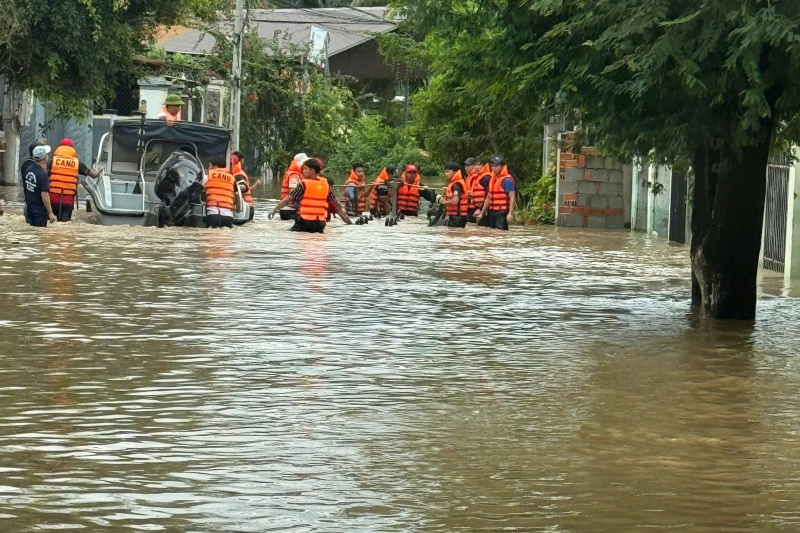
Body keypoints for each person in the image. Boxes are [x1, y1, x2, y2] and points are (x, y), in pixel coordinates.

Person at [269, 158, 352, 233]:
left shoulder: (303, 184)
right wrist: (349, 222)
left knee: (286, 233)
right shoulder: (325, 184)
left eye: (305, 169)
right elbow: (336, 203)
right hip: (320, 224)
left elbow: (287, 199)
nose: (303, 171)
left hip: (305, 222)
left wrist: (274, 210)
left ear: (312, 171)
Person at [48, 138, 99, 222]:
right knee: (65, 224)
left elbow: (44, 177)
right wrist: (99, 172)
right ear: (72, 148)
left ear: (60, 147)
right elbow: (93, 175)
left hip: (53, 198)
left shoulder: (52, 161)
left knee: (50, 223)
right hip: (68, 200)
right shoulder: (76, 162)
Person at [476, 156, 516, 230]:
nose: (494, 168)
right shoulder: (492, 180)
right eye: (493, 166)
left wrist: (510, 213)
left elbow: (512, 197)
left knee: (501, 234)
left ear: (502, 167)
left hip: (501, 213)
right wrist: (482, 213)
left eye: (496, 166)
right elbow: (488, 198)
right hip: (492, 212)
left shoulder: (507, 180)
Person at [22, 145, 56, 227]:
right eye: (47, 154)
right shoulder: (43, 175)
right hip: (39, 212)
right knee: (40, 234)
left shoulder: (28, 169)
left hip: (29, 209)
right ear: (45, 158)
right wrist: (50, 213)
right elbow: (44, 195)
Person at [204, 154, 235, 228]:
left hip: (213, 214)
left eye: (210, 166)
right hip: (228, 216)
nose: (208, 168)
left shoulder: (207, 177)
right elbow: (235, 195)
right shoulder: (231, 179)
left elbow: (198, 189)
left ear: (215, 167)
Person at [279, 153, 307, 221]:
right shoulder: (294, 175)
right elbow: (293, 191)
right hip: (290, 209)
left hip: (288, 208)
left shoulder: (295, 174)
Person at [231, 151, 259, 221]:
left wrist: (229, 189)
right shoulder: (239, 173)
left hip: (245, 207)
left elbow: (242, 187)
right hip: (248, 207)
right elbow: (245, 190)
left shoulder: (238, 174)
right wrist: (253, 187)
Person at [441, 162, 469, 228]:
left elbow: (455, 201)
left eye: (448, 172)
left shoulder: (457, 185)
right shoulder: (454, 184)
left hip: (458, 217)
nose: (446, 174)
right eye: (445, 172)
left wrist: (444, 202)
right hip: (455, 216)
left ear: (454, 172)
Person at [463, 157, 482, 223]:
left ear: (474, 166)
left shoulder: (475, 177)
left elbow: (476, 193)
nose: (466, 168)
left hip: (474, 208)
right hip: (468, 207)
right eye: (465, 166)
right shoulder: (469, 177)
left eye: (468, 166)